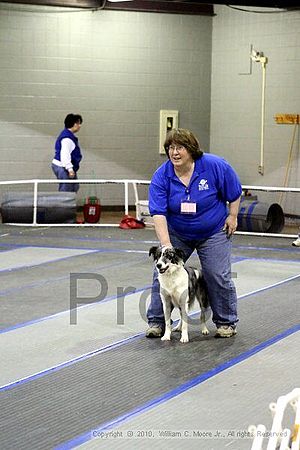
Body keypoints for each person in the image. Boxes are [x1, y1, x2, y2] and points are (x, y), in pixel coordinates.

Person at [146, 128, 242, 339]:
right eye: (171, 148)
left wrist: (232, 216)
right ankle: (157, 322)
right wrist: (166, 245)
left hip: (213, 230)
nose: (175, 152)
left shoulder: (215, 165)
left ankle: (226, 322)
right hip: (178, 231)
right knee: (160, 273)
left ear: (191, 149)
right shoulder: (162, 176)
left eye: (180, 147)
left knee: (218, 275)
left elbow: (234, 192)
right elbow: (158, 213)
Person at [52, 113, 83, 192]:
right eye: (78, 123)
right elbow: (65, 155)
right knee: (66, 190)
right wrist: (70, 169)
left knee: (74, 187)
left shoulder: (68, 136)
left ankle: (69, 203)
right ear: (74, 124)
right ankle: (63, 204)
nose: (80, 126)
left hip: (64, 166)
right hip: (63, 166)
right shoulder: (67, 138)